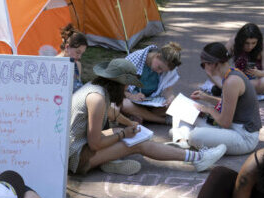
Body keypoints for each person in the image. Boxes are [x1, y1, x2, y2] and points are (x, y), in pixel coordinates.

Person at [69, 59, 226, 176]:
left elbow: (111, 113)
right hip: (77, 159)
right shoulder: (97, 99)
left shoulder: (96, 88)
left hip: (76, 149)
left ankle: (108, 160)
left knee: (118, 130)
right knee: (139, 144)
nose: (127, 89)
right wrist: (124, 134)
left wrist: (129, 123)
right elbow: (95, 144)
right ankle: (198, 158)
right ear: (119, 84)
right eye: (127, 85)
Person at [174, 42, 262, 156]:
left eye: (203, 65)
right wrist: (206, 98)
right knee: (185, 114)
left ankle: (183, 137)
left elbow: (225, 122)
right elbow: (230, 103)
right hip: (234, 128)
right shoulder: (231, 74)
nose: (204, 68)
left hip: (244, 136)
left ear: (212, 64)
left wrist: (208, 109)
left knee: (196, 136)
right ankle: (183, 138)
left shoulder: (231, 82)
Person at [120, 42, 183, 124]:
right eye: (159, 67)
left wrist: (170, 98)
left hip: (151, 103)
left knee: (174, 105)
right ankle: (163, 121)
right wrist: (132, 96)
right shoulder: (134, 59)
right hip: (132, 101)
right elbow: (118, 89)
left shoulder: (167, 68)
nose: (159, 72)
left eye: (163, 71)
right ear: (157, 56)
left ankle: (140, 115)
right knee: (125, 105)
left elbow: (168, 90)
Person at [227, 23, 264, 99]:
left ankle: (233, 90)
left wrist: (257, 72)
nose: (250, 46)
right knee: (215, 72)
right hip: (237, 78)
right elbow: (221, 59)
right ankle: (234, 89)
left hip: (254, 81)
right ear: (241, 40)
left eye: (254, 43)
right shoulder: (234, 41)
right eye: (247, 43)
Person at [56, 25, 87, 90]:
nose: (80, 57)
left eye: (82, 53)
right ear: (67, 47)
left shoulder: (77, 65)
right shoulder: (53, 65)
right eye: (78, 52)